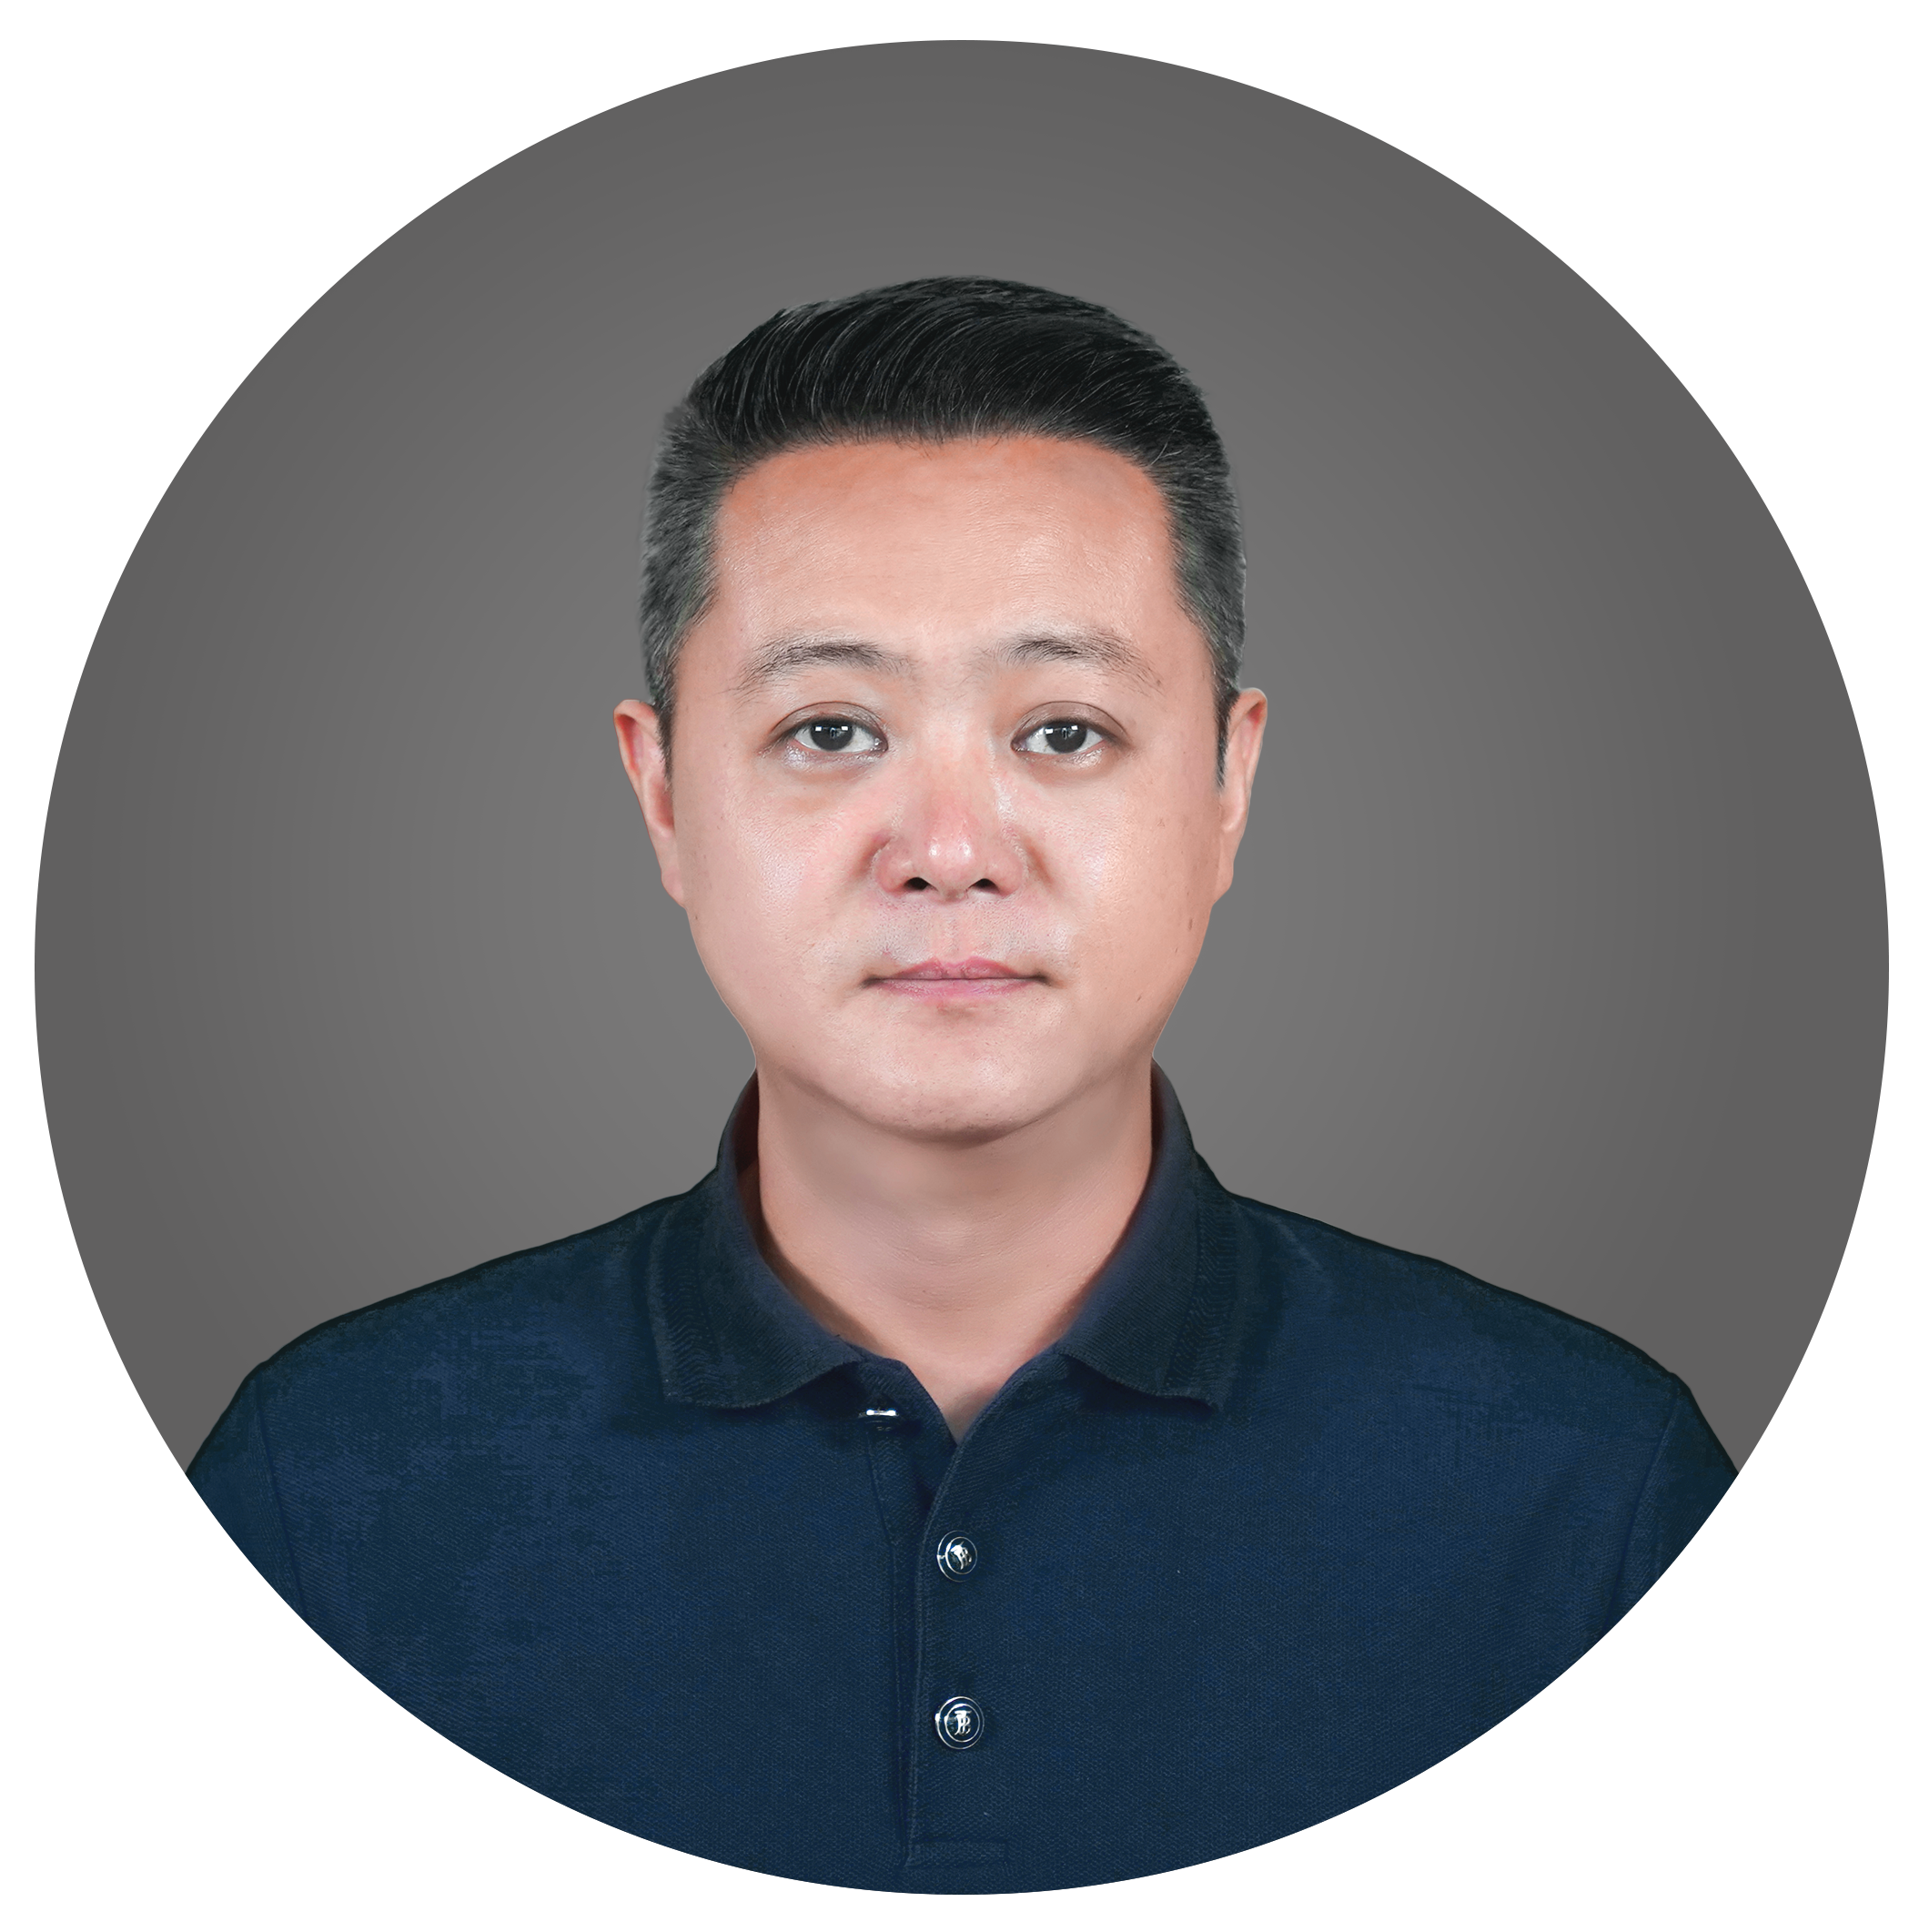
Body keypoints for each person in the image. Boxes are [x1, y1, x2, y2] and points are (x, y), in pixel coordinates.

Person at [36, 278, 1860, 1893]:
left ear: (1227, 783)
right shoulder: (336, 1484)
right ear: (661, 791)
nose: (950, 845)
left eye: (1062, 730)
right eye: (830, 729)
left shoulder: (1584, 1491)